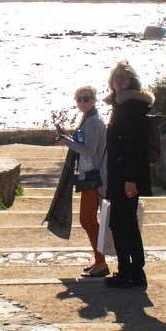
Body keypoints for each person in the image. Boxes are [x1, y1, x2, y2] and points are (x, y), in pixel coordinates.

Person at [101, 61, 152, 289]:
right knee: (124, 223)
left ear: (131, 81)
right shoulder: (123, 105)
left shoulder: (130, 106)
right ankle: (133, 272)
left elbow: (133, 145)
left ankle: (129, 272)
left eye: (123, 78)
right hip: (122, 174)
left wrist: (130, 179)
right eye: (116, 78)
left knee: (122, 223)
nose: (119, 81)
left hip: (126, 175)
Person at [55, 86, 108, 275]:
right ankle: (99, 260)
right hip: (89, 175)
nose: (83, 102)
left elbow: (88, 149)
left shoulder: (93, 122)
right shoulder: (89, 119)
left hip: (94, 177)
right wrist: (68, 138)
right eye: (79, 99)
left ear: (94, 100)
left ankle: (101, 261)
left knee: (87, 220)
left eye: (86, 99)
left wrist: (67, 141)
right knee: (88, 220)